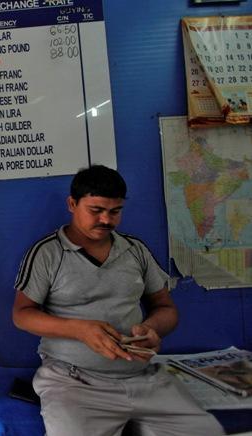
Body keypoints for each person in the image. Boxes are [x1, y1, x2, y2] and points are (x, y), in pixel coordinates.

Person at [12, 165, 223, 436]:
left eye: (115, 212)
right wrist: (80, 330)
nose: (106, 220)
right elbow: (21, 314)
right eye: (96, 210)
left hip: (143, 376)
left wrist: (153, 329)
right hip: (74, 381)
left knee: (207, 431)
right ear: (72, 204)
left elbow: (166, 308)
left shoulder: (134, 249)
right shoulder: (48, 253)